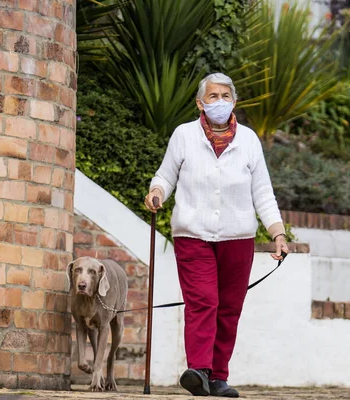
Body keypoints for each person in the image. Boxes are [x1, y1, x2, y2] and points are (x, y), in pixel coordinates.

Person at [144, 73, 289, 398]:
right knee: (203, 301)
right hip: (192, 234)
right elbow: (165, 175)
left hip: (238, 238)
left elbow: (263, 192)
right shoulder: (184, 135)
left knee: (229, 307)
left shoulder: (249, 140)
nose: (219, 102)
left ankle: (219, 377)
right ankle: (199, 370)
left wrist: (277, 233)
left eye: (225, 95)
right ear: (200, 102)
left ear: (234, 101)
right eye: (213, 96)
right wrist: (156, 192)